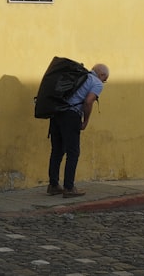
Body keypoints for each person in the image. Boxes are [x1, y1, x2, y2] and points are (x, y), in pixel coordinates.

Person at [47, 63, 108, 198]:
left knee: (57, 150)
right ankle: (69, 187)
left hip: (57, 113)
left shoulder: (80, 76)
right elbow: (88, 101)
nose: (104, 82)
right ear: (102, 75)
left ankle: (53, 185)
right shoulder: (96, 83)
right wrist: (85, 121)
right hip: (71, 116)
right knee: (73, 152)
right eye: (105, 79)